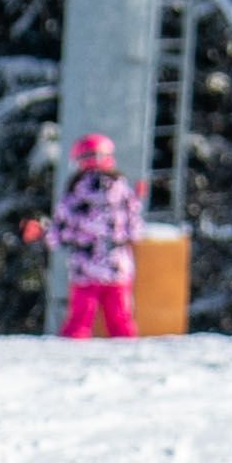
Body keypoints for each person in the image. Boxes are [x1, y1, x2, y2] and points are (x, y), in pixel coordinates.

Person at [29, 131, 147, 339]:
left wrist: (41, 232)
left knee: (79, 322)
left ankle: (70, 363)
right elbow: (136, 231)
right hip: (117, 266)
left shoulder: (75, 193)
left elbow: (59, 232)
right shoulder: (122, 189)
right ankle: (129, 364)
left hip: (85, 268)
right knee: (121, 322)